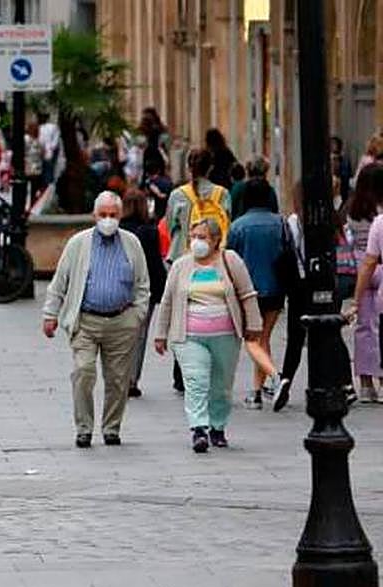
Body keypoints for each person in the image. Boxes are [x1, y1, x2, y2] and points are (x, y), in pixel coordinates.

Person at [42, 191, 151, 448]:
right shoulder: (78, 244)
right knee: (83, 371)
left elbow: (142, 284)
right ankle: (84, 428)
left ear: (120, 215)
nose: (108, 220)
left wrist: (137, 315)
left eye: (113, 215)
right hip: (86, 321)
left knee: (117, 378)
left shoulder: (131, 243)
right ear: (94, 215)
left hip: (121, 321)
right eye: (103, 215)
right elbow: (59, 282)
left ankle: (111, 427)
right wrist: (50, 314)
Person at [155, 219, 262, 453]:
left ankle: (218, 426)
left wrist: (254, 324)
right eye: (193, 237)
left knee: (221, 384)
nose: (196, 242)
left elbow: (247, 294)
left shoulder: (230, 261)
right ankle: (199, 429)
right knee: (196, 381)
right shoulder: (181, 266)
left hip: (226, 334)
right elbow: (168, 301)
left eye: (202, 237)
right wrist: (160, 334)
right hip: (189, 335)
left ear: (215, 240)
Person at [226, 178, 286, 409]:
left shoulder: (238, 226)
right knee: (263, 338)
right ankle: (259, 388)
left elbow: (229, 259)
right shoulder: (279, 223)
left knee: (253, 339)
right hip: (276, 288)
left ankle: (264, 385)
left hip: (248, 291)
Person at [120, 188, 167, 398]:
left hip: (119, 291)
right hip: (143, 292)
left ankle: (118, 376)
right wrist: (160, 291)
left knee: (119, 335)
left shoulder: (118, 231)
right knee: (139, 337)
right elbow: (156, 265)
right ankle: (132, 380)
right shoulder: (149, 231)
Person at [346, 164, 383, 402]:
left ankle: (365, 383)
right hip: (379, 265)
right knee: (380, 327)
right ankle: (381, 377)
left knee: (363, 327)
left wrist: (355, 300)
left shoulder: (353, 209)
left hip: (359, 266)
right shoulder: (380, 214)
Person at [166, 148, 231, 261]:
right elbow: (227, 224)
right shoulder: (222, 194)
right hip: (215, 257)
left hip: (184, 255)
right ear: (211, 167)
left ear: (188, 167)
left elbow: (171, 227)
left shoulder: (177, 195)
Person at [229, 156, 278, 221]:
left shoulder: (239, 188)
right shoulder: (270, 190)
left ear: (248, 172)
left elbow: (231, 210)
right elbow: (275, 211)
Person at [141, 155, 173, 222]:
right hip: (168, 214)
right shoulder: (168, 182)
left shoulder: (148, 184)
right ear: (158, 170)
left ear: (147, 173)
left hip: (155, 215)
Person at [38, 112, 61, 184]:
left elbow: (55, 140)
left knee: (48, 169)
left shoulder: (52, 127)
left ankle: (47, 184)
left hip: (48, 150)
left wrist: (51, 148)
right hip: (42, 150)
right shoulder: (40, 127)